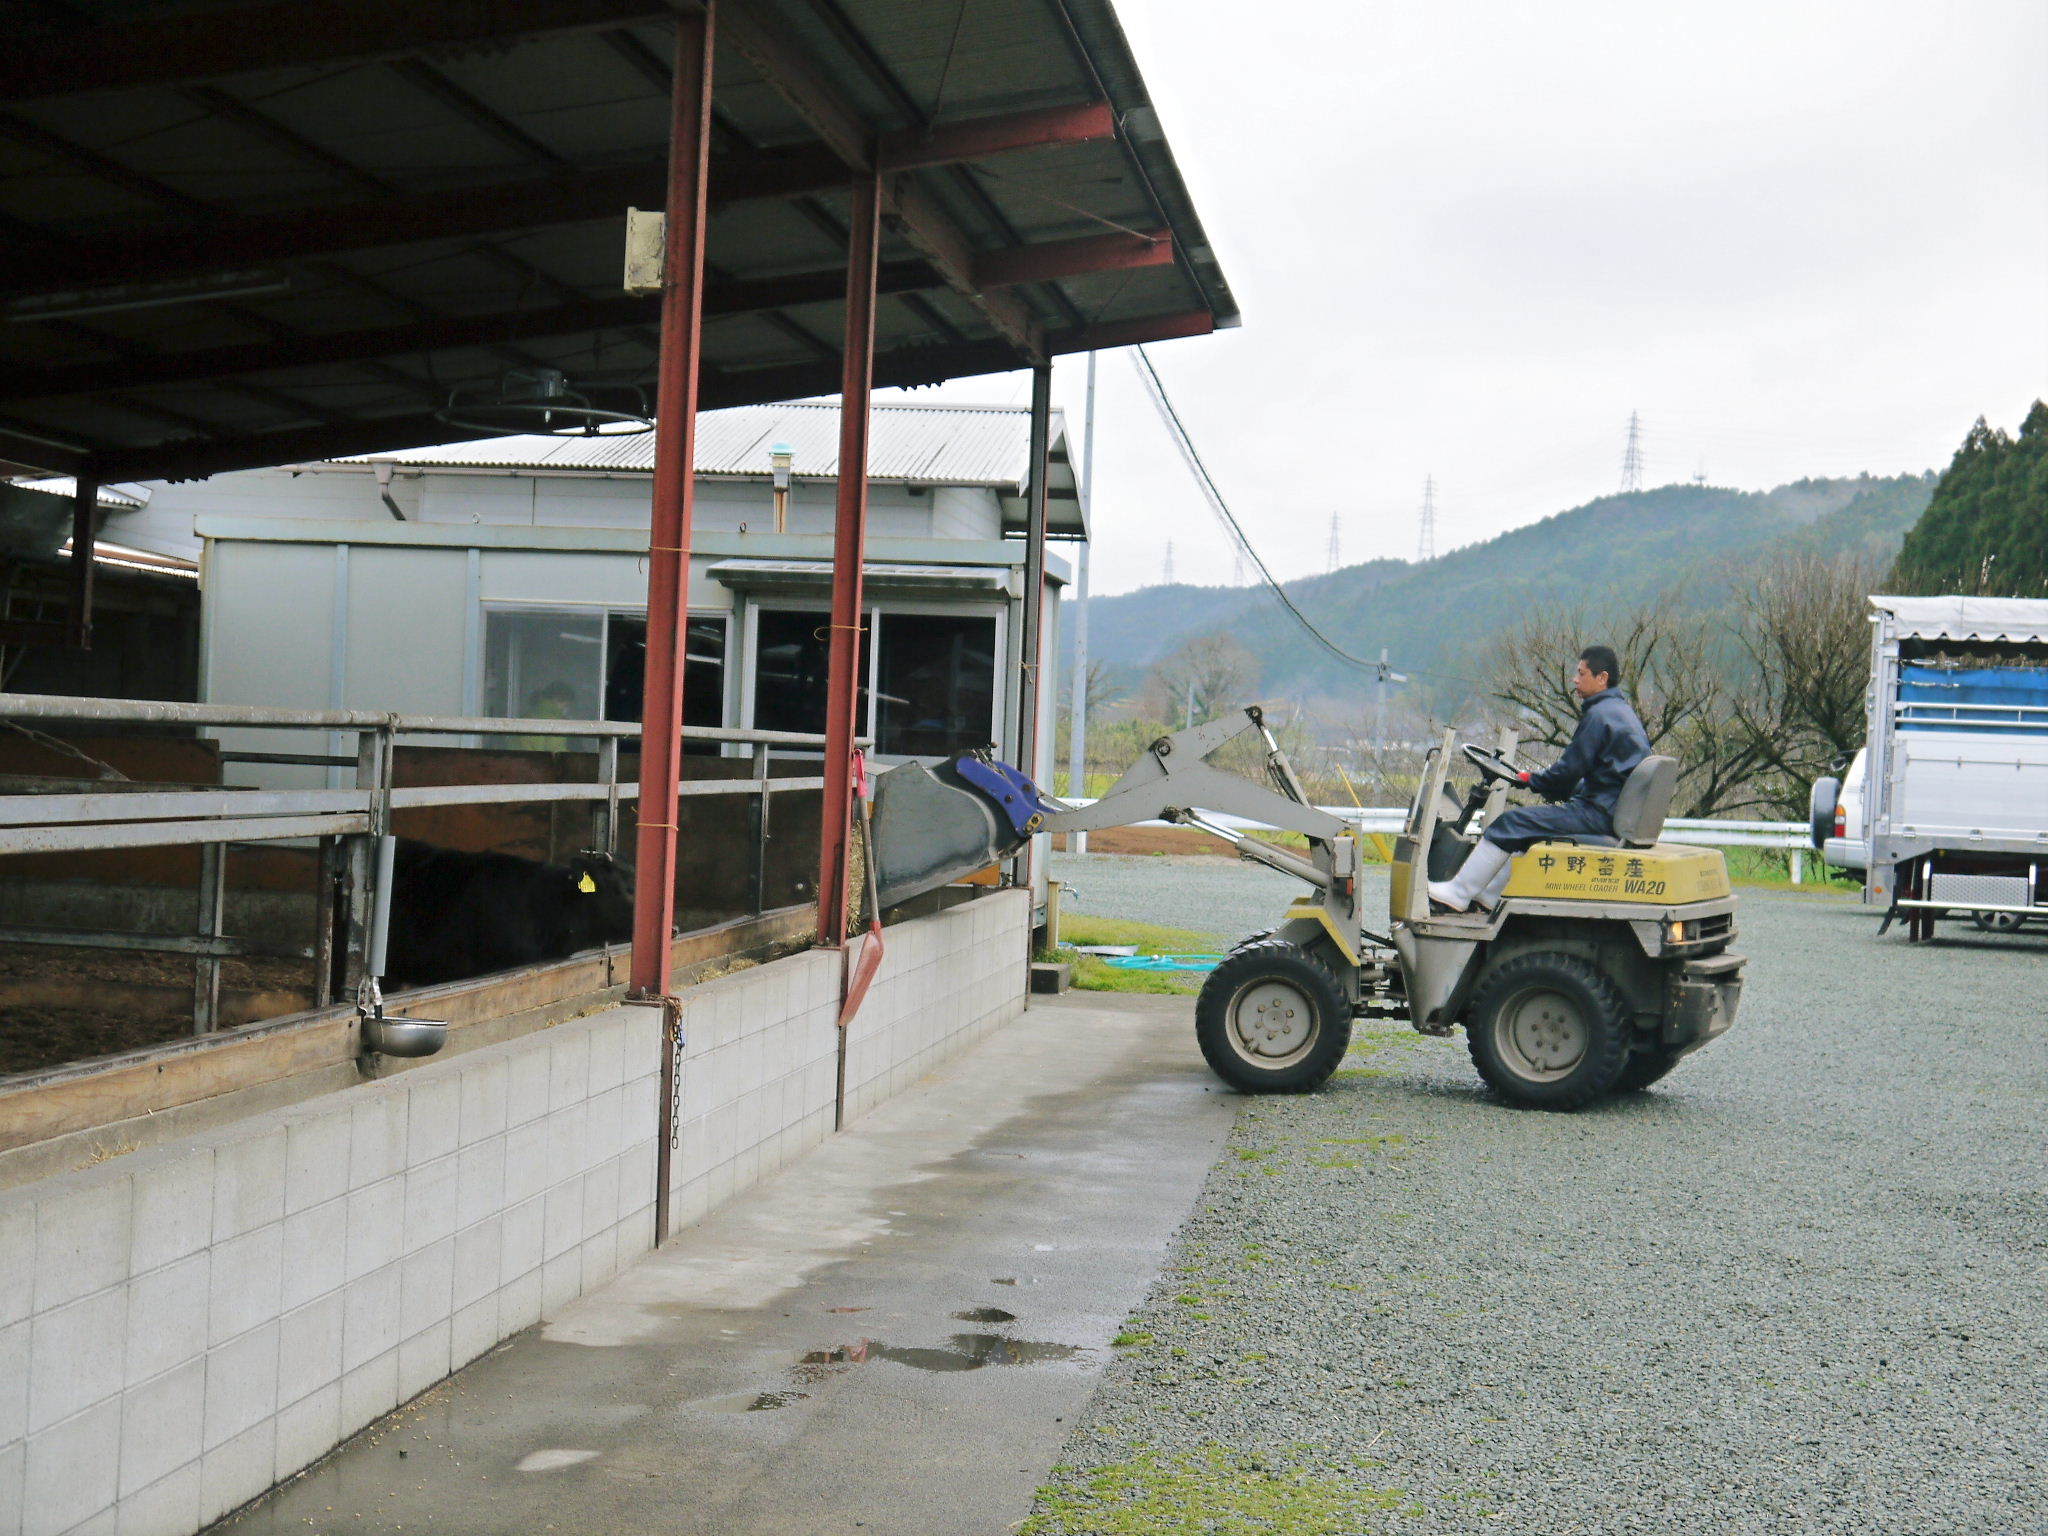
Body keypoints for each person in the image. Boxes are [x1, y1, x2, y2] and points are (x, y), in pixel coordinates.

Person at [1427, 644, 1650, 913]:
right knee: (1526, 832)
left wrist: (1533, 780)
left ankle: (1458, 893)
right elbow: (1606, 775)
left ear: (1602, 678)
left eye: (1581, 674)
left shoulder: (1599, 716)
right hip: (1610, 808)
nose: (1575, 681)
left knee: (1509, 822)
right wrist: (1553, 786)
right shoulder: (1620, 712)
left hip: (1599, 813)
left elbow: (1568, 770)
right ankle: (1487, 896)